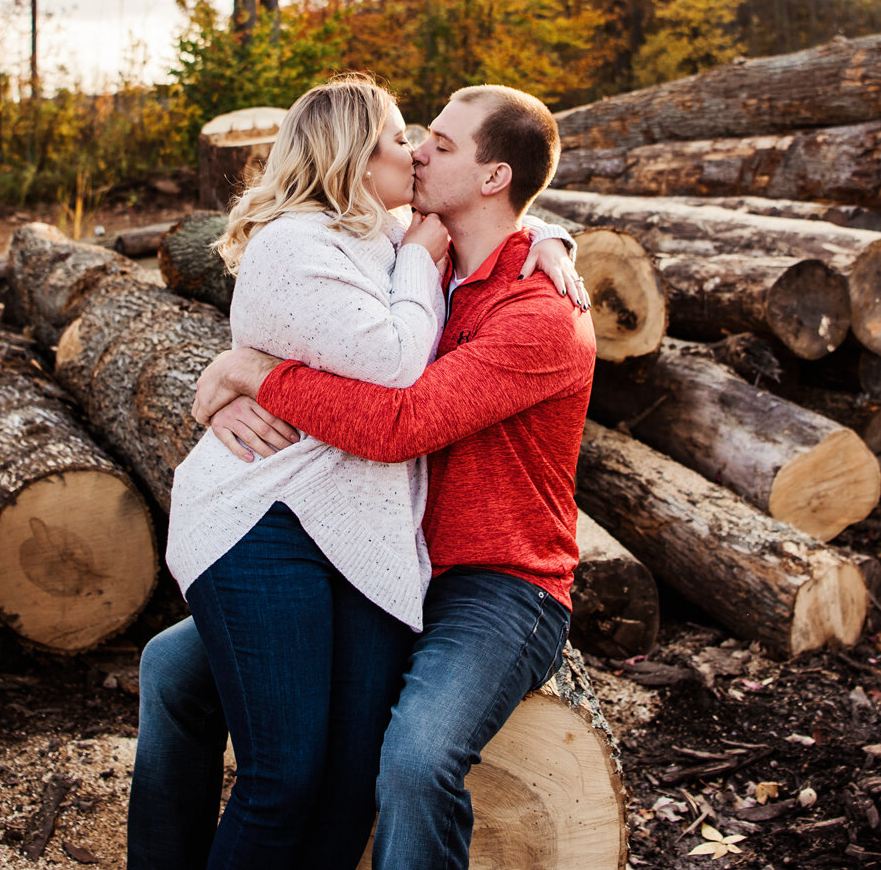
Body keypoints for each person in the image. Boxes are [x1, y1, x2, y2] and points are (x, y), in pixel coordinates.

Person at [129, 84, 597, 870]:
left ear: (489, 179)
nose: (417, 150)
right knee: (173, 673)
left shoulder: (537, 311)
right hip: (384, 550)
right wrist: (231, 363)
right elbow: (316, 282)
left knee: (411, 761)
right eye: (414, 138)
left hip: (493, 581)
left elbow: (397, 423)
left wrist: (256, 371)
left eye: (439, 145)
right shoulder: (423, 255)